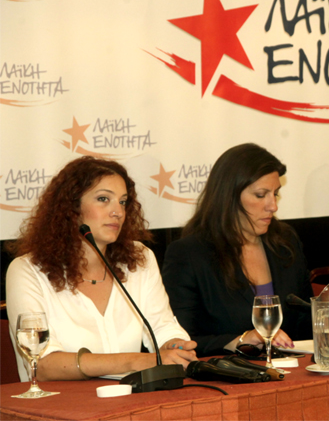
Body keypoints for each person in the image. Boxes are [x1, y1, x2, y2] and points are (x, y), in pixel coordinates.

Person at [5, 157, 196, 382]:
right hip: (60, 401)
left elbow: (162, 326)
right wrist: (136, 361)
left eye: (123, 202)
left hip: (131, 397)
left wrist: (175, 345)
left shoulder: (139, 259)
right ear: (72, 208)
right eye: (103, 199)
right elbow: (42, 364)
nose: (118, 212)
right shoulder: (27, 271)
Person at [162, 143, 312, 357]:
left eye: (275, 194)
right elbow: (179, 341)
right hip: (229, 373)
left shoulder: (285, 241)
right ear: (229, 197)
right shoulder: (189, 254)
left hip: (293, 369)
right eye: (260, 195)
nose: (273, 206)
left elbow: (306, 319)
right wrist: (239, 341)